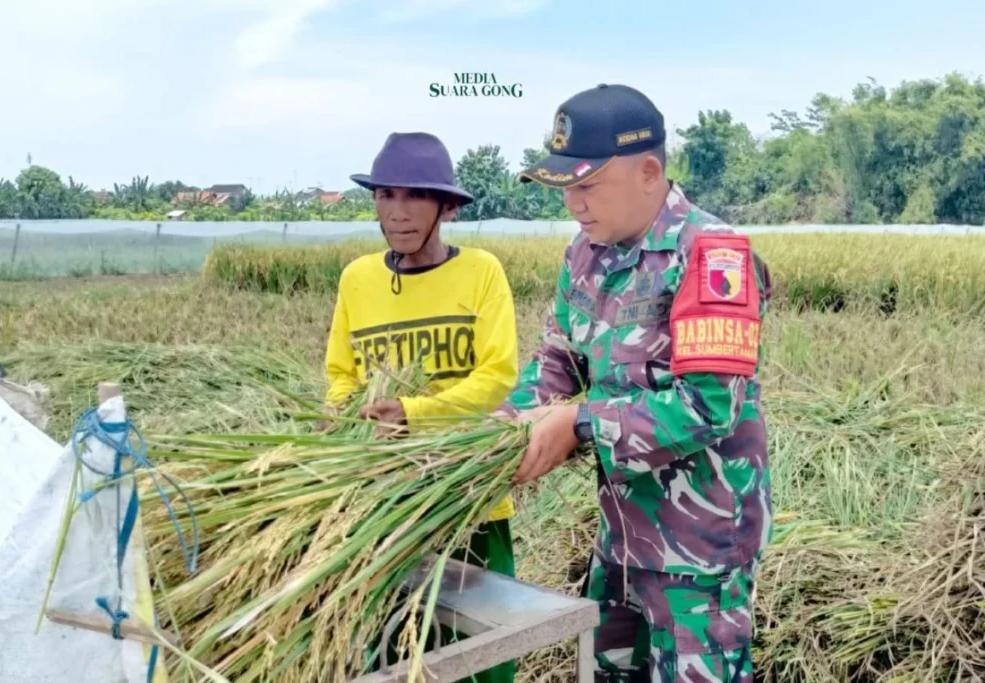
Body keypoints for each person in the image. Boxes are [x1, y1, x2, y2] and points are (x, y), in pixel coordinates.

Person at [496, 84, 773, 682]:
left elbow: (708, 406)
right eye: (565, 187)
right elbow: (559, 361)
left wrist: (579, 423)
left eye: (588, 185)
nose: (573, 203)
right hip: (621, 534)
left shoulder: (711, 256)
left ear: (649, 172)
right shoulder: (585, 254)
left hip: (699, 548)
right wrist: (501, 431)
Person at [324, 131, 519, 683]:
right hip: (386, 501)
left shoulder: (480, 271)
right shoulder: (358, 279)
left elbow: (496, 375)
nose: (397, 211)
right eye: (385, 195)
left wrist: (413, 412)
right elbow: (341, 376)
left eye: (415, 196)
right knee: (396, 652)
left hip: (468, 494)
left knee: (485, 654)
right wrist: (348, 416)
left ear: (447, 208)